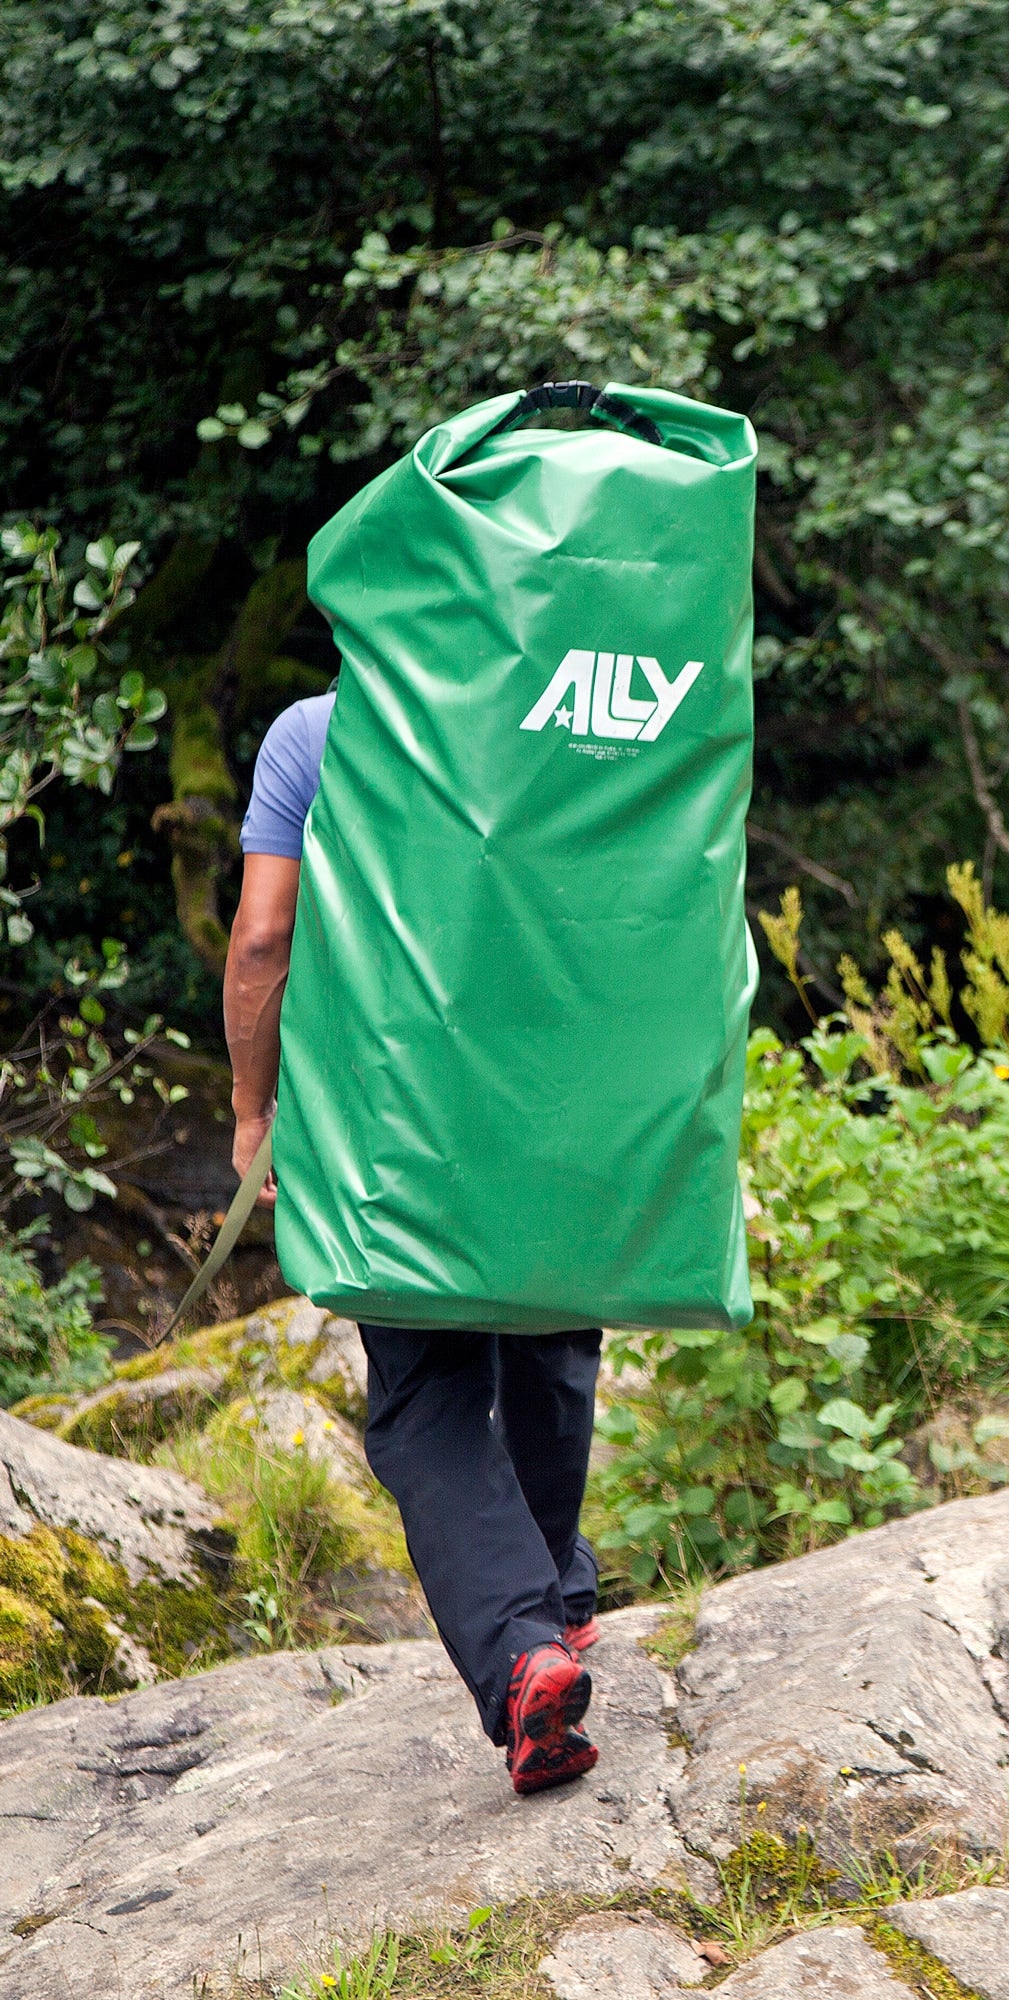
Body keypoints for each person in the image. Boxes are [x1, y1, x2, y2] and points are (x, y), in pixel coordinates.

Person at [223, 688, 607, 1795]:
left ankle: (522, 1645)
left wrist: (254, 1106)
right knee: (548, 1332)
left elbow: (262, 938)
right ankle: (557, 1601)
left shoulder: (311, 734)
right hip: (552, 1089)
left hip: (386, 1115)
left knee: (428, 1393)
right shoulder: (561, 706)